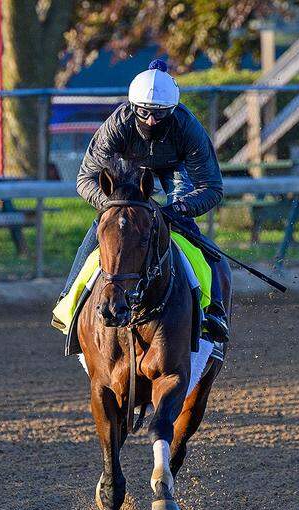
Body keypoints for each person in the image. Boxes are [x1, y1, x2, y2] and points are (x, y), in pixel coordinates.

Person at [67, 59, 231, 342]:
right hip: (128, 171)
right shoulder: (117, 125)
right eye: (144, 113)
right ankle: (69, 302)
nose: (151, 120)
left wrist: (179, 207)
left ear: (173, 110)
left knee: (190, 234)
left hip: (175, 169)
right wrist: (112, 205)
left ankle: (212, 309)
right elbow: (85, 178)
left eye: (160, 114)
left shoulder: (187, 128)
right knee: (105, 231)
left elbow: (211, 187)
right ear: (133, 107)